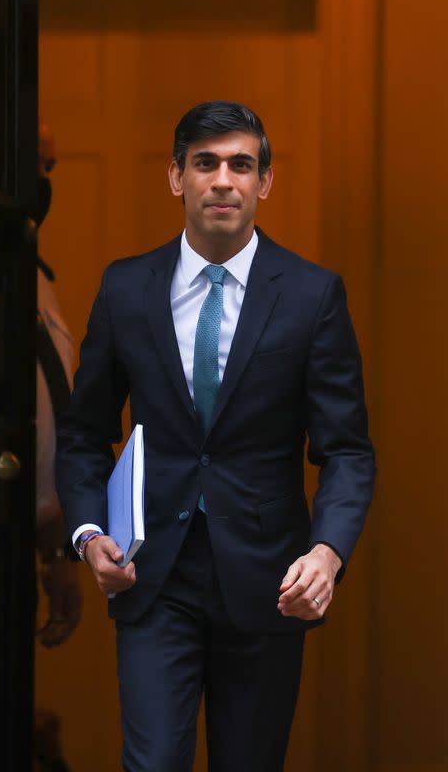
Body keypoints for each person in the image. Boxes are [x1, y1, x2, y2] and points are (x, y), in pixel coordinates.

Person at [56, 101, 376, 772]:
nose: (223, 180)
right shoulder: (125, 289)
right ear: (177, 178)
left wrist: (326, 553)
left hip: (268, 579)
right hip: (153, 575)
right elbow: (85, 433)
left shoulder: (313, 296)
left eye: (241, 164)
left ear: (265, 182)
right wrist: (88, 536)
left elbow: (346, 449)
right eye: (205, 163)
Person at [35, 120, 81, 648]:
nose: (44, 180)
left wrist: (58, 551)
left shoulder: (35, 278)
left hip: (27, 540)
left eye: (50, 167)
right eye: (37, 161)